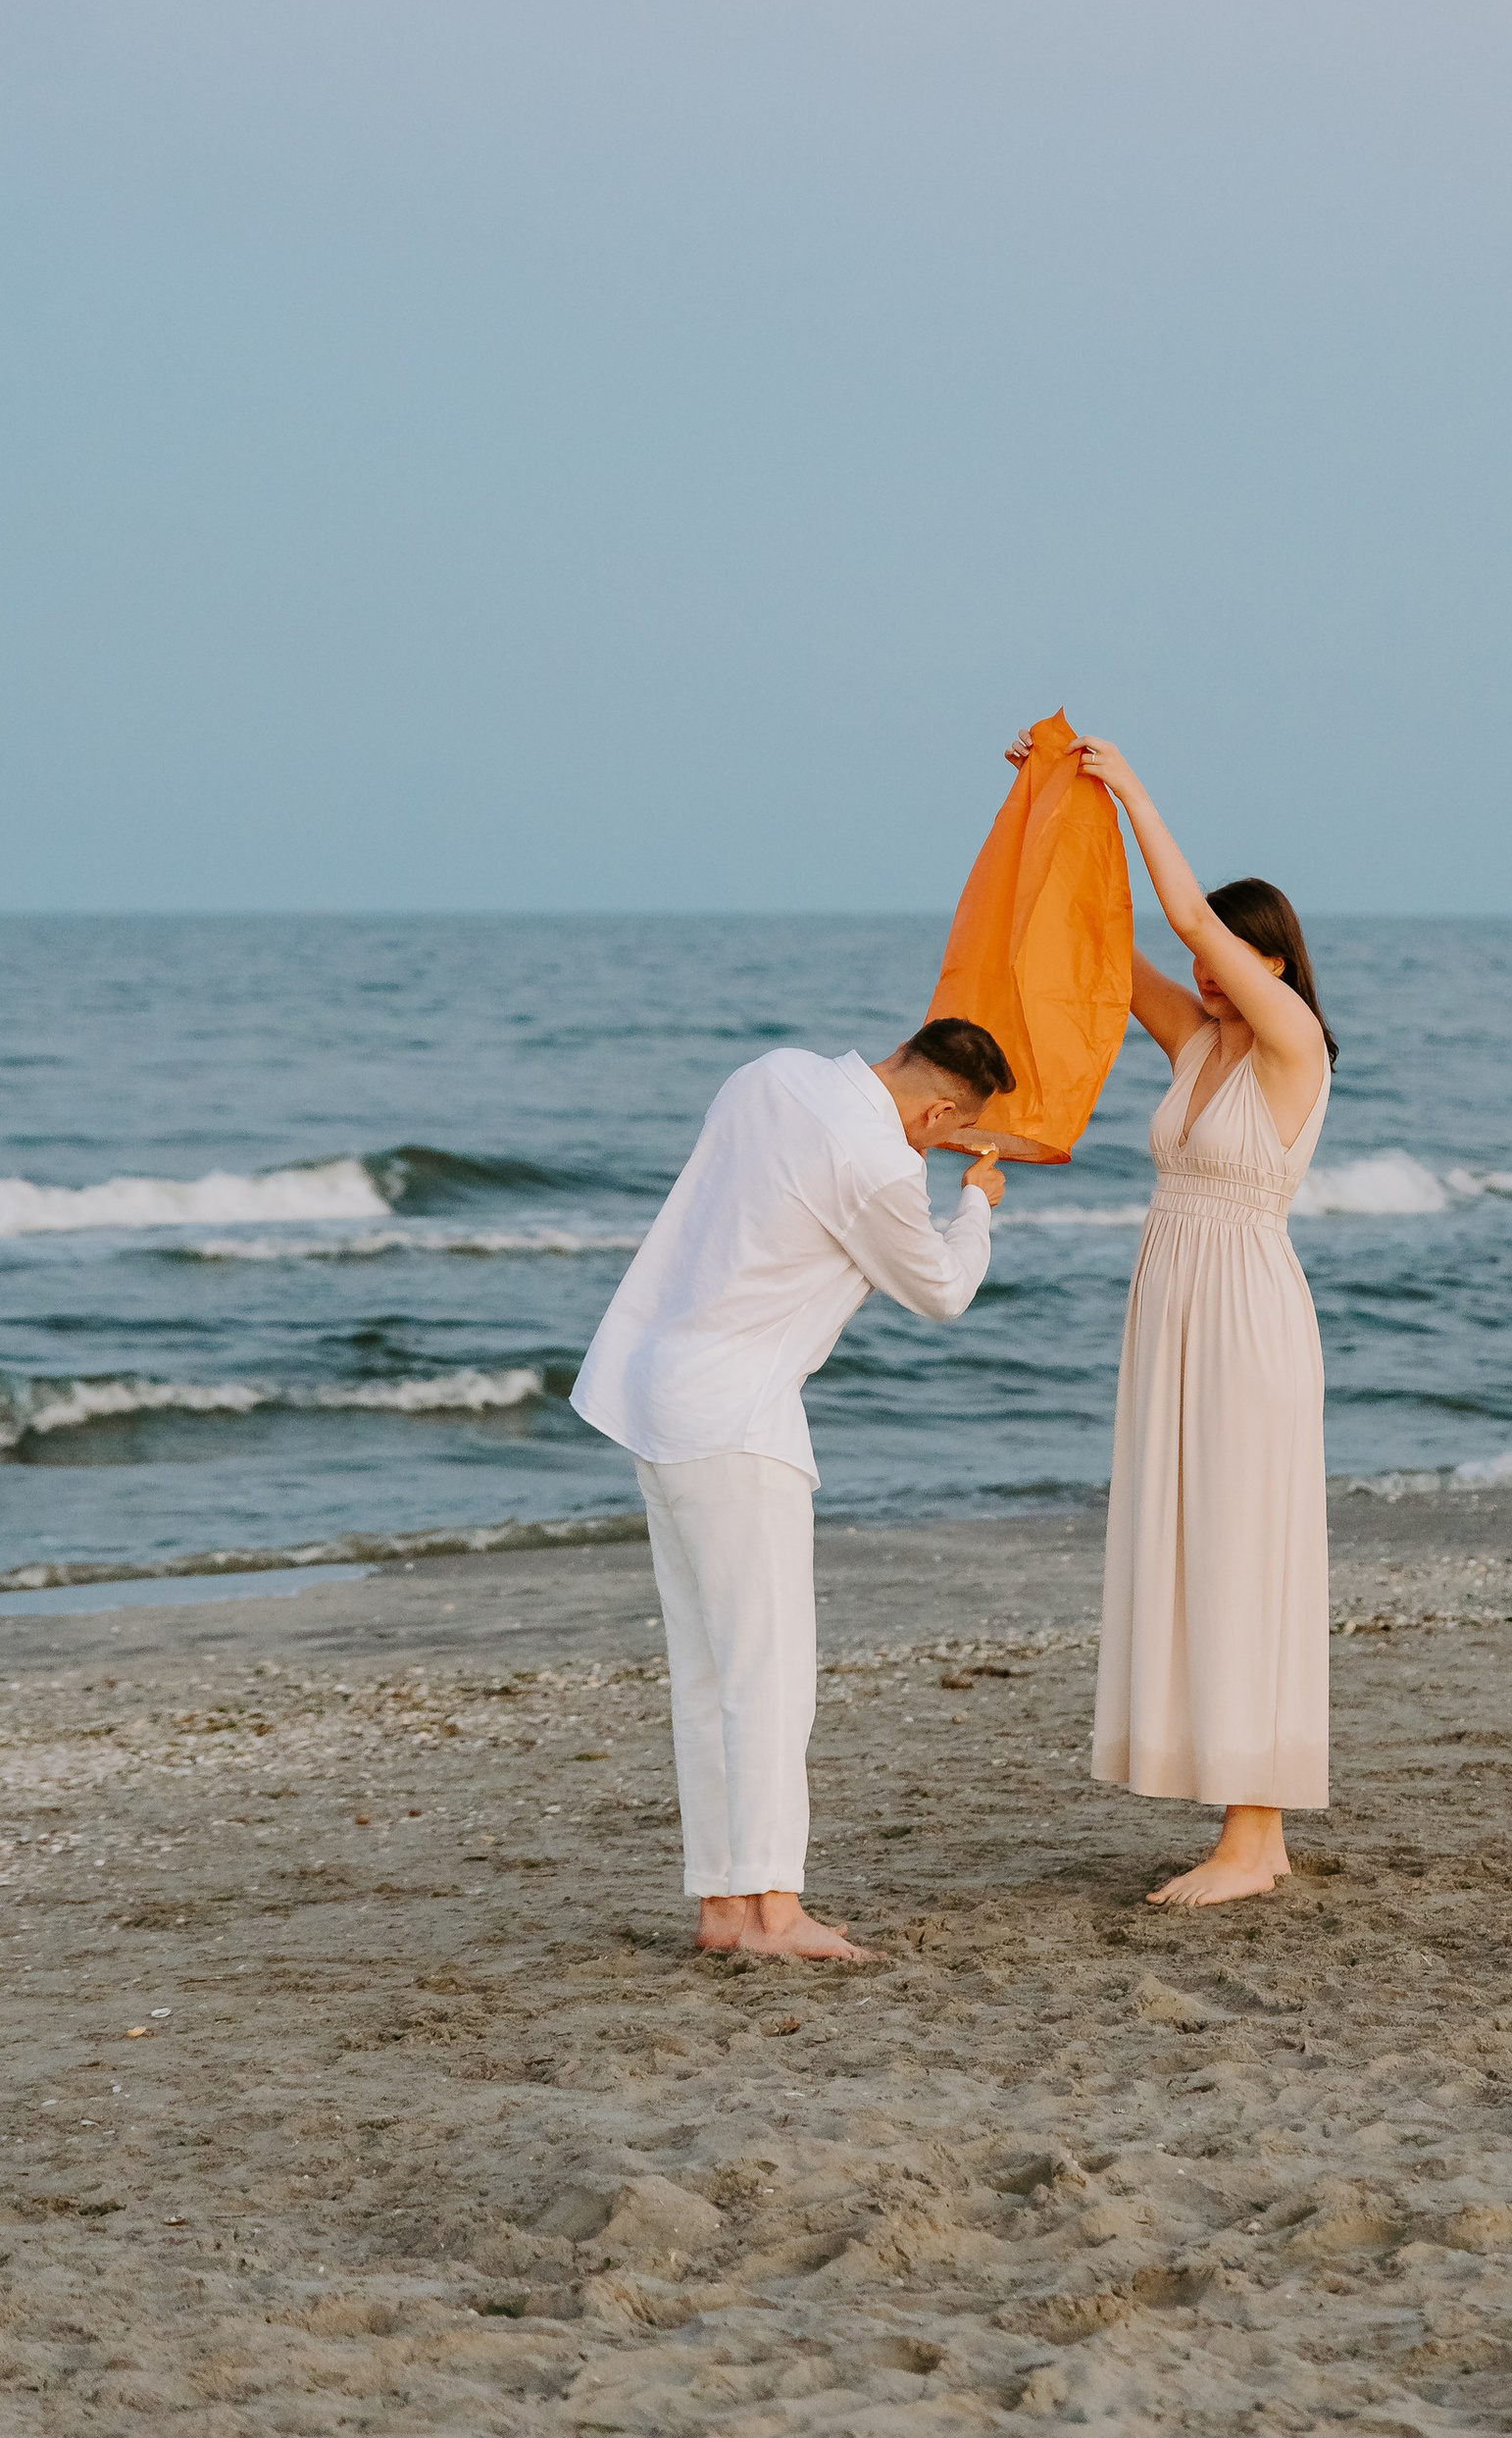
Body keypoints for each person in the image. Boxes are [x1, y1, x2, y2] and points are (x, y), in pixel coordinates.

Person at [571, 1017, 1014, 1961]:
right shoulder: (879, 1166)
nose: (933, 1145)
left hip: (655, 1388)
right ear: (940, 1109)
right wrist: (974, 1203)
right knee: (768, 1677)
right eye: (943, 1131)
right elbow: (939, 1289)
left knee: (706, 1673)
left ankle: (722, 1909)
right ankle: (774, 1913)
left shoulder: (768, 1074)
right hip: (736, 1420)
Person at [1066, 736, 1337, 1906]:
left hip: (1244, 1320)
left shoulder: (1288, 1047)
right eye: (1217, 963)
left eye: (1236, 957)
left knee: (1243, 1558)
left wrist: (1127, 789)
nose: (1214, 976)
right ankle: (1255, 1838)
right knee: (1193, 1550)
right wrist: (1057, 829)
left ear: (1278, 964)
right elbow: (1111, 955)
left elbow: (1179, 919)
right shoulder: (1201, 1043)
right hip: (1173, 1312)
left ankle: (1251, 1833)